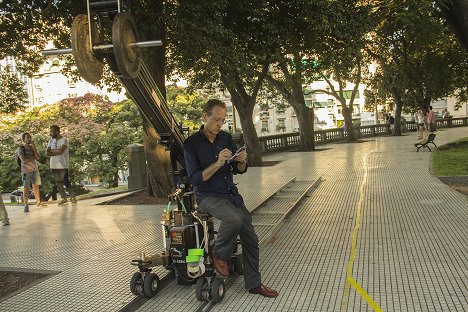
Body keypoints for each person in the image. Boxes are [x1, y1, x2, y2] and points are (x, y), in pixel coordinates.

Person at [183, 99, 279, 298]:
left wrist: (242, 161)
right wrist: (217, 163)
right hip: (208, 196)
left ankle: (254, 284)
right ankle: (220, 254)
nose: (220, 124)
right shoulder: (191, 144)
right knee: (233, 218)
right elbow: (194, 179)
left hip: (231, 195)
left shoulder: (225, 138)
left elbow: (238, 169)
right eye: (216, 119)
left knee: (251, 240)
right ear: (205, 117)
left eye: (223, 120)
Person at [46, 125, 77, 205]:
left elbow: (61, 151)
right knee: (58, 182)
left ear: (57, 131)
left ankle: (73, 197)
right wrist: (56, 151)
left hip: (63, 165)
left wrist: (53, 151)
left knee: (66, 181)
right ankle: (64, 198)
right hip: (53, 165)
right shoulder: (51, 141)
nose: (50, 133)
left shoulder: (64, 140)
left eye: (51, 131)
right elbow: (47, 153)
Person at [17, 132, 47, 212]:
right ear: (24, 139)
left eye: (30, 137)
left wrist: (34, 148)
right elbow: (24, 160)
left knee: (36, 186)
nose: (29, 139)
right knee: (26, 188)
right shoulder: (21, 148)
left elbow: (38, 157)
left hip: (35, 170)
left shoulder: (32, 147)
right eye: (27, 137)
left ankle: (38, 202)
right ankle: (26, 205)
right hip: (26, 171)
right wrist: (33, 157)